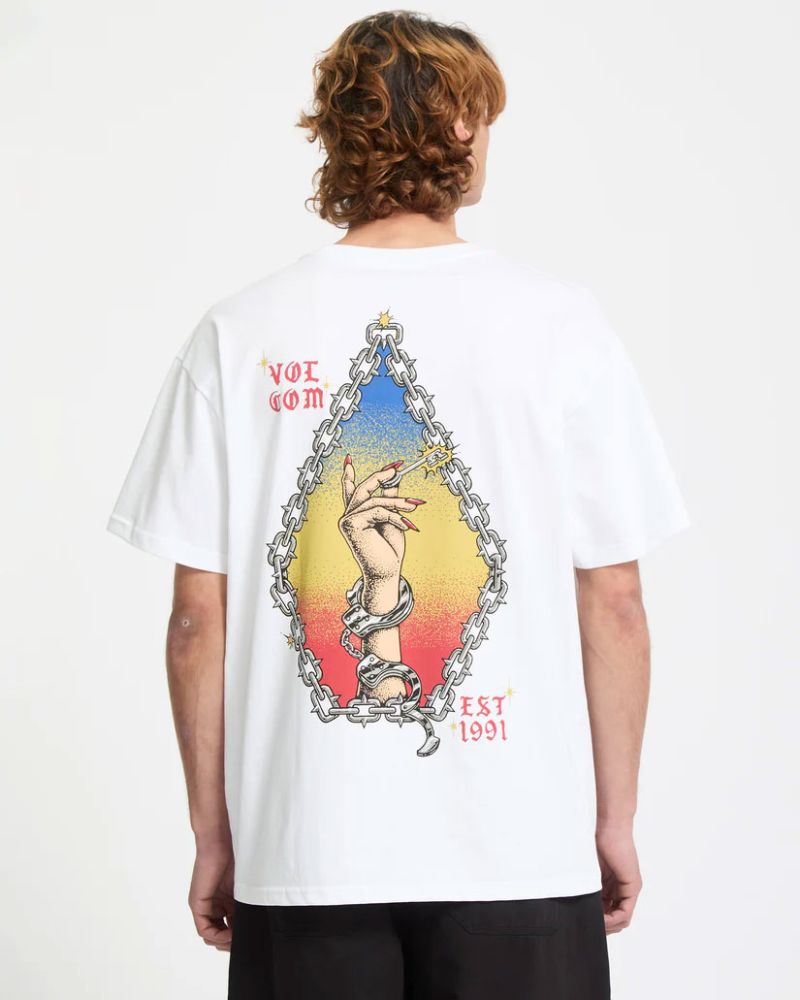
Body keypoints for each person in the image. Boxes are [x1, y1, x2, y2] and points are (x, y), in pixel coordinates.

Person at [106, 11, 690, 999]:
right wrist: (612, 818)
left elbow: (196, 618)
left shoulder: (238, 334)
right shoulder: (559, 325)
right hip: (519, 854)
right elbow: (616, 600)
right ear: (460, 129)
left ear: (337, 135)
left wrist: (215, 834)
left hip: (304, 854)